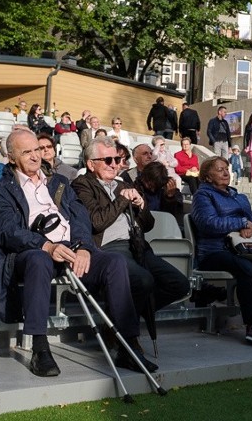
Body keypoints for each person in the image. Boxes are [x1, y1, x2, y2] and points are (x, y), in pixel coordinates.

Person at [0, 130, 150, 377]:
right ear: (11, 158)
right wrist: (46, 245)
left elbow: (80, 217)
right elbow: (7, 230)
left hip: (71, 249)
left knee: (115, 261)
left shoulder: (59, 182)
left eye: (37, 150)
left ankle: (128, 345)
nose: (34, 157)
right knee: (38, 260)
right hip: (32, 251)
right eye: (26, 152)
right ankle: (40, 347)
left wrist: (84, 246)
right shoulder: (1, 189)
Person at [72, 138, 189, 336]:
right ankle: (126, 337)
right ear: (91, 164)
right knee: (144, 281)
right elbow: (96, 222)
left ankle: (122, 317)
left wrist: (141, 205)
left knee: (179, 284)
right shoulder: (82, 185)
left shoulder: (121, 184)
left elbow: (149, 224)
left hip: (138, 246)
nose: (115, 165)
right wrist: (122, 199)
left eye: (117, 160)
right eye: (108, 160)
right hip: (110, 249)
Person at [191, 156, 252, 346]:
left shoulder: (240, 197)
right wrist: (241, 223)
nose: (225, 173)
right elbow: (208, 223)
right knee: (246, 267)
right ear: (207, 177)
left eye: (226, 169)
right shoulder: (203, 195)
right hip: (213, 252)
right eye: (219, 169)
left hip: (243, 248)